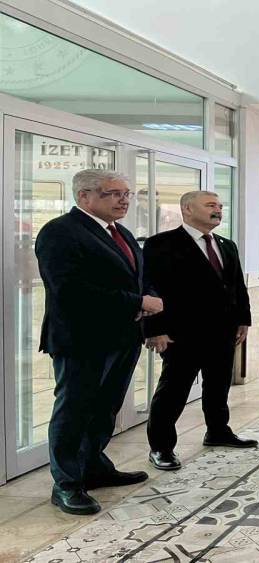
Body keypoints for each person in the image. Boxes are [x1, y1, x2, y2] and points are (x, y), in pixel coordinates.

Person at [35, 169, 162, 515]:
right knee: (74, 411)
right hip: (82, 339)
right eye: (113, 193)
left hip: (123, 337)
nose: (124, 200)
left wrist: (147, 297)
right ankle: (66, 483)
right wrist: (137, 302)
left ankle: (93, 467)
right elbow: (70, 290)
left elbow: (139, 278)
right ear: (84, 196)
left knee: (105, 409)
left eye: (127, 193)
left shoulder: (120, 232)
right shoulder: (60, 232)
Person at [144, 191, 255, 472]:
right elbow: (150, 288)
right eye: (210, 205)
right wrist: (155, 330)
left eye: (219, 205)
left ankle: (218, 431)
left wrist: (243, 320)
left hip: (223, 331)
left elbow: (237, 286)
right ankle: (161, 447)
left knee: (218, 385)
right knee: (173, 391)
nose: (218, 210)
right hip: (181, 333)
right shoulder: (161, 244)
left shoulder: (226, 245)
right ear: (187, 209)